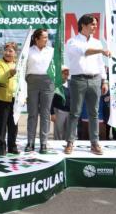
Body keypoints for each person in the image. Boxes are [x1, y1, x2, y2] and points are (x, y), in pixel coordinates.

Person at [65, 14, 110, 155]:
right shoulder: (72, 42)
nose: (95, 27)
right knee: (75, 112)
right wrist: (101, 51)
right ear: (83, 25)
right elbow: (83, 52)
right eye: (92, 24)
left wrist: (105, 80)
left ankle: (94, 143)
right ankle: (70, 142)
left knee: (94, 113)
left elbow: (100, 63)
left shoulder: (97, 42)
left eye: (95, 24)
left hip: (95, 79)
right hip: (78, 80)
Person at [25, 28, 54, 154]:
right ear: (36, 39)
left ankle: (43, 143)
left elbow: (57, 67)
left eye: (47, 37)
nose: (47, 40)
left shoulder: (52, 51)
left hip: (48, 82)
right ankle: (30, 142)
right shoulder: (28, 51)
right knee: (32, 114)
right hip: (32, 82)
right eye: (44, 37)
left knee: (45, 114)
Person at [0, 42, 19, 156]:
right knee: (1, 125)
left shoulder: (19, 64)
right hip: (2, 98)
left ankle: (12, 147)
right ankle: (1, 148)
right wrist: (10, 73)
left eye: (11, 51)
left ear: (15, 53)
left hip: (15, 99)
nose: (8, 53)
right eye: (6, 50)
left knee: (13, 125)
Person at [50, 66, 70, 140]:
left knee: (68, 133)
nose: (66, 75)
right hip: (59, 111)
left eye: (67, 73)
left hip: (70, 112)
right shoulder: (55, 85)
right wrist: (52, 113)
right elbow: (50, 100)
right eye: (64, 73)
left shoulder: (71, 84)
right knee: (58, 133)